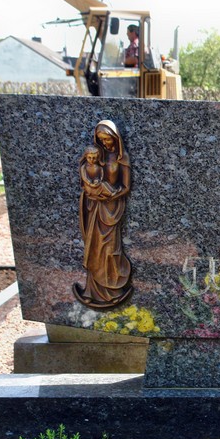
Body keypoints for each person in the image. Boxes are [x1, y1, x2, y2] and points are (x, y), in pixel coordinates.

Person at [73, 120, 133, 308]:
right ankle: (91, 291)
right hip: (95, 207)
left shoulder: (122, 158)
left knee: (110, 249)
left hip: (112, 208)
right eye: (101, 140)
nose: (105, 143)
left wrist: (112, 195)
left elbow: (126, 186)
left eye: (108, 139)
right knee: (94, 247)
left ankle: (114, 290)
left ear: (115, 138)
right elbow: (86, 176)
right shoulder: (96, 155)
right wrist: (93, 191)